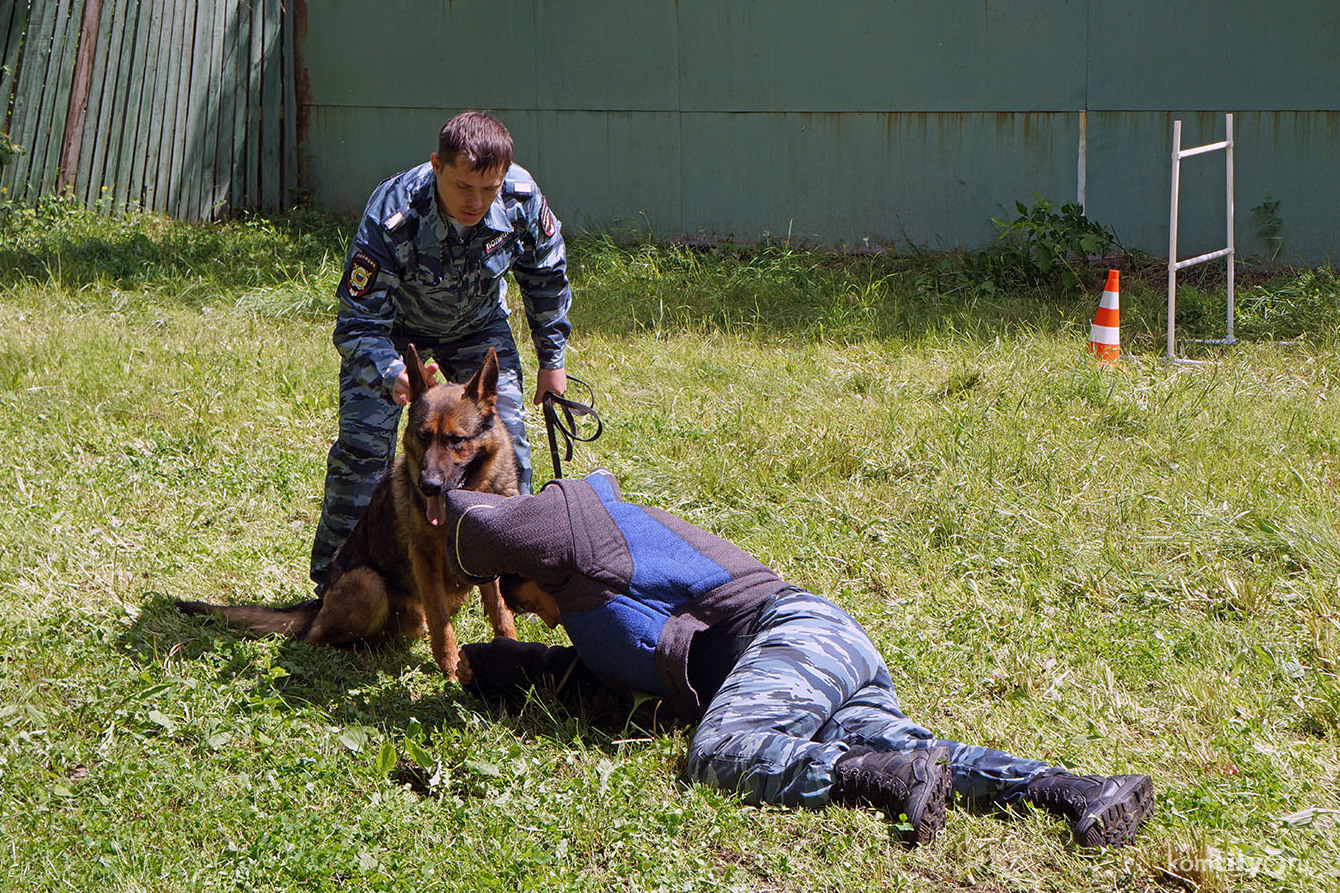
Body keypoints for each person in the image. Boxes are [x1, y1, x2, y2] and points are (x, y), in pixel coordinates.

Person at [445, 469, 1155, 847]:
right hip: (826, 645)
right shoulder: (609, 589)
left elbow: (516, 520)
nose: (549, 619)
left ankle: (886, 777)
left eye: (534, 602)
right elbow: (590, 684)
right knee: (913, 746)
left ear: (540, 568)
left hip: (786, 636)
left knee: (717, 750)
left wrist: (448, 517)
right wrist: (496, 667)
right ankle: (1079, 790)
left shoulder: (590, 541)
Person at [310, 110, 572, 588]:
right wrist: (395, 375)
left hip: (477, 328)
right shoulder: (394, 213)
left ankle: (513, 576)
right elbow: (356, 323)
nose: (476, 202)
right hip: (393, 335)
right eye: (463, 187)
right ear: (436, 166)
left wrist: (552, 360)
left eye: (488, 189)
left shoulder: (520, 196)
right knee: (363, 451)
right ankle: (337, 581)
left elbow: (546, 277)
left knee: (507, 443)